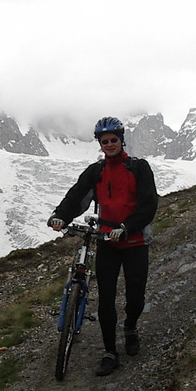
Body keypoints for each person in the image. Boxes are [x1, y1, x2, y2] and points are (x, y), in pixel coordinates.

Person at [48, 116, 159, 376]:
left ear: (121, 140)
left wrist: (128, 227)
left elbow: (148, 204)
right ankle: (110, 352)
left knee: (135, 297)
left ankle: (131, 326)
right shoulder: (96, 171)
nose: (109, 144)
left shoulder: (139, 168)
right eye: (104, 141)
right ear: (99, 143)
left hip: (135, 241)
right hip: (107, 241)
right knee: (106, 299)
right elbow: (77, 196)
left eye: (113, 140)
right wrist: (60, 216)